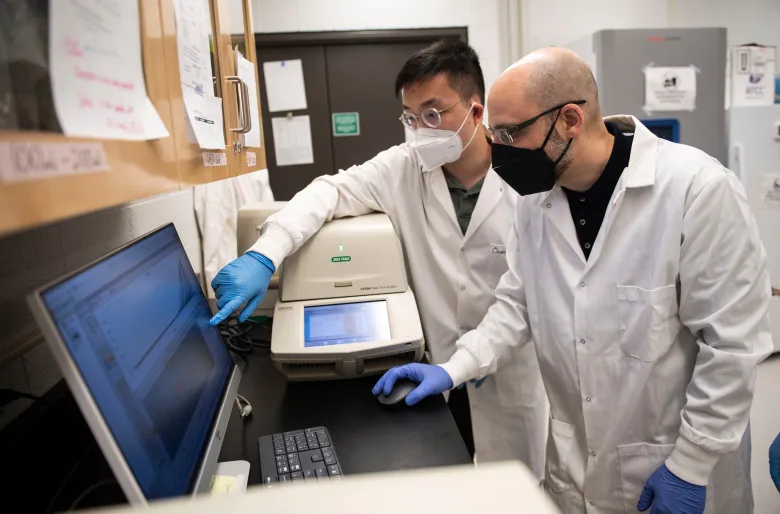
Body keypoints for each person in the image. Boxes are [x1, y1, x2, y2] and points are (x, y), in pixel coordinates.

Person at [373, 47, 774, 514]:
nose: (497, 149)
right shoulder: (535, 202)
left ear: (569, 119)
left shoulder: (696, 190)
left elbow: (731, 347)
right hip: (575, 468)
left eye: (509, 133)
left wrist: (690, 464)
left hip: (672, 466)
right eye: (494, 132)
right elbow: (515, 306)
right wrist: (454, 369)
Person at [207, 40, 548, 477]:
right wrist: (264, 255)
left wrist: (469, 361)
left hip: (510, 374)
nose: (419, 129)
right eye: (410, 117)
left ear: (476, 111)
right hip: (435, 372)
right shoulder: (403, 168)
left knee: (517, 491)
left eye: (432, 113)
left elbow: (523, 299)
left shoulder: (529, 180)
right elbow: (330, 191)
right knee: (449, 483)